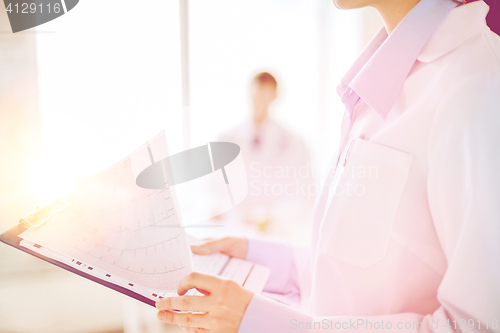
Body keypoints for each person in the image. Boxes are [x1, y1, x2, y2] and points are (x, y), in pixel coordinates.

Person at [155, 0, 500, 332]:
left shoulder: (475, 90)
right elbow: (354, 274)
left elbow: (477, 325)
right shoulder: (383, 88)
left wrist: (267, 325)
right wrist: (258, 257)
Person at [212, 72, 315, 241]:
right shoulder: (226, 138)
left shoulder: (294, 143)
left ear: (275, 97)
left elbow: (306, 193)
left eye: (266, 95)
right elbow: (212, 188)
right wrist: (224, 210)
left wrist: (270, 217)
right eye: (257, 94)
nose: (260, 101)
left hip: (273, 233)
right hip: (231, 226)